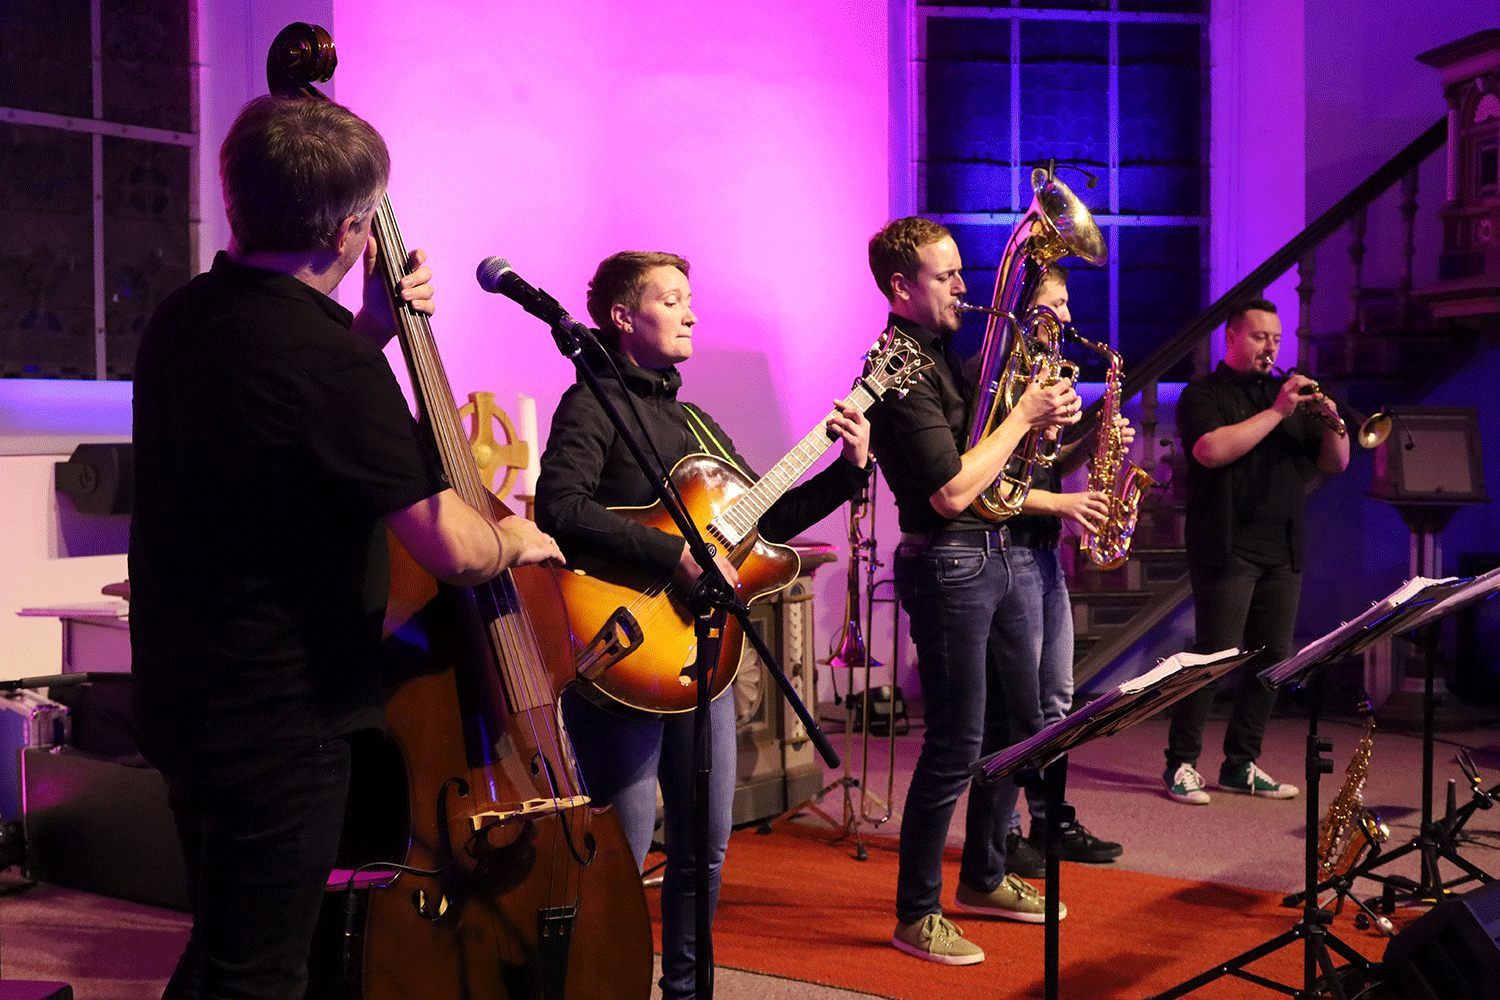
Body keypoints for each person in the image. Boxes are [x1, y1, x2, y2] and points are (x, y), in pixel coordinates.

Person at [129, 94, 563, 1000]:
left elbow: (279, 425)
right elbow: (449, 546)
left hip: (184, 693)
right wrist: (511, 537)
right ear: (352, 230)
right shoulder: (331, 367)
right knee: (260, 974)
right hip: (281, 719)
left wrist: (366, 330)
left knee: (220, 946)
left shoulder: (183, 317)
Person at [534, 250, 873, 1000]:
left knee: (705, 850)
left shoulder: (695, 422)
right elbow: (559, 506)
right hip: (625, 653)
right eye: (672, 300)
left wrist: (849, 470)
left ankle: (688, 992)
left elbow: (765, 519)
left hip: (704, 659)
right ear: (622, 317)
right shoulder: (590, 402)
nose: (690, 314)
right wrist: (672, 554)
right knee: (619, 855)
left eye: (690, 300)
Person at [864, 217, 1079, 966]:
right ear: (901, 287)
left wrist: (1045, 418)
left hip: (997, 551)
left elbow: (993, 466)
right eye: (946, 275)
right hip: (948, 562)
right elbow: (952, 491)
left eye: (961, 271)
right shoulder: (895, 368)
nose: (964, 286)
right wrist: (1023, 415)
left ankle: (984, 876)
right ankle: (915, 913)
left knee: (1019, 729)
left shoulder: (947, 357)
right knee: (955, 744)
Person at [1162, 298, 1350, 805]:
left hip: (1283, 546)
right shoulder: (1204, 393)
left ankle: (1241, 763)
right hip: (1226, 544)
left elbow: (1335, 463)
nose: (1270, 347)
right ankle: (1180, 763)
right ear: (1231, 338)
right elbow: (1210, 451)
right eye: (1259, 336)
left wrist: (1333, 421)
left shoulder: (1286, 398)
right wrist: (1277, 412)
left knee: (1272, 662)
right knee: (1213, 657)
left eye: (1276, 339)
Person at [992, 264, 1126, 875]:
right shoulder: (997, 381)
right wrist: (1066, 505)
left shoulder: (1049, 376)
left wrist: (1092, 439)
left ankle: (1052, 822)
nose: (1068, 316)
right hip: (1009, 550)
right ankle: (1004, 833)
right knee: (1018, 706)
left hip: (1043, 551)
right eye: (1058, 303)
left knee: (1056, 699)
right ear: (1026, 307)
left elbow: (1043, 466)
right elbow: (990, 488)